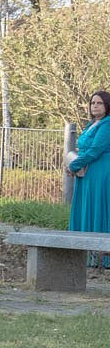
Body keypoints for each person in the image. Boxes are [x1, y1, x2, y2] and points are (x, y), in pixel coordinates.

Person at [68, 90, 110, 266]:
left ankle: (102, 257)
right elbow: (84, 149)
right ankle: (83, 254)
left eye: (99, 103)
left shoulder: (107, 124)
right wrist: (75, 163)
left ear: (107, 105)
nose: (95, 106)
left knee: (97, 207)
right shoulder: (91, 124)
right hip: (86, 172)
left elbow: (95, 150)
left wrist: (73, 166)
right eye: (93, 103)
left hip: (100, 172)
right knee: (86, 207)